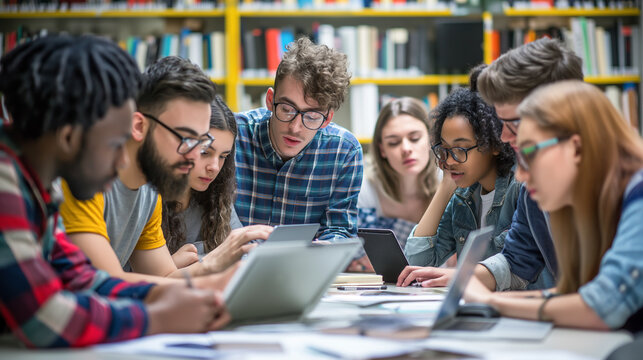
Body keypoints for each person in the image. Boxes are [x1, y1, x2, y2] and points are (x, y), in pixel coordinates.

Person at [0, 35, 229, 348]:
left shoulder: (38, 183)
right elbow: (44, 316)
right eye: (112, 145)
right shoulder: (5, 179)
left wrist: (177, 293)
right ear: (68, 137)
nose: (122, 159)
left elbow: (82, 279)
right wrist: (158, 318)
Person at [60, 56, 272, 284]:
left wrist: (223, 271)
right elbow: (105, 285)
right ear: (139, 126)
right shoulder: (83, 178)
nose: (193, 157)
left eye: (199, 143)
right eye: (186, 138)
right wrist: (212, 265)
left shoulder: (149, 192)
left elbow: (164, 278)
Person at [398, 38, 584, 289]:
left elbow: (600, 298)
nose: (505, 137)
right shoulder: (531, 180)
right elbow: (520, 260)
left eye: (513, 123)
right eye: (444, 149)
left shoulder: (527, 182)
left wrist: (466, 281)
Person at [464, 80, 643, 332]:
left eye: (529, 153)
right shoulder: (585, 202)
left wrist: (491, 301)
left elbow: (603, 307)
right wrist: (484, 299)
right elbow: (572, 294)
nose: (520, 176)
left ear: (577, 147)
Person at [234, 37, 367, 270]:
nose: (295, 128)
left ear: (327, 119)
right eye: (286, 109)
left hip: (300, 271)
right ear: (269, 100)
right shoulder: (234, 136)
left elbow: (339, 230)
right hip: (230, 271)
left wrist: (314, 256)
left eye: (312, 117)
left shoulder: (344, 151)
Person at [398, 84, 519, 285]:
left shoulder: (519, 189)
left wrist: (460, 276)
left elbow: (518, 265)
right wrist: (445, 189)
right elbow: (415, 263)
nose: (450, 160)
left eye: (461, 149)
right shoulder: (463, 196)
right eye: (444, 149)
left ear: (494, 144)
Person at [163, 95, 246, 269]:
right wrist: (169, 267)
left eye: (223, 156)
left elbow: (241, 255)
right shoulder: (147, 198)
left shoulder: (216, 195)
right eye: (205, 152)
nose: (215, 167)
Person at [357, 97, 439, 248]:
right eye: (393, 142)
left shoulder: (449, 183)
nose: (406, 149)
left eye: (414, 138)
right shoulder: (364, 191)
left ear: (430, 139)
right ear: (382, 149)